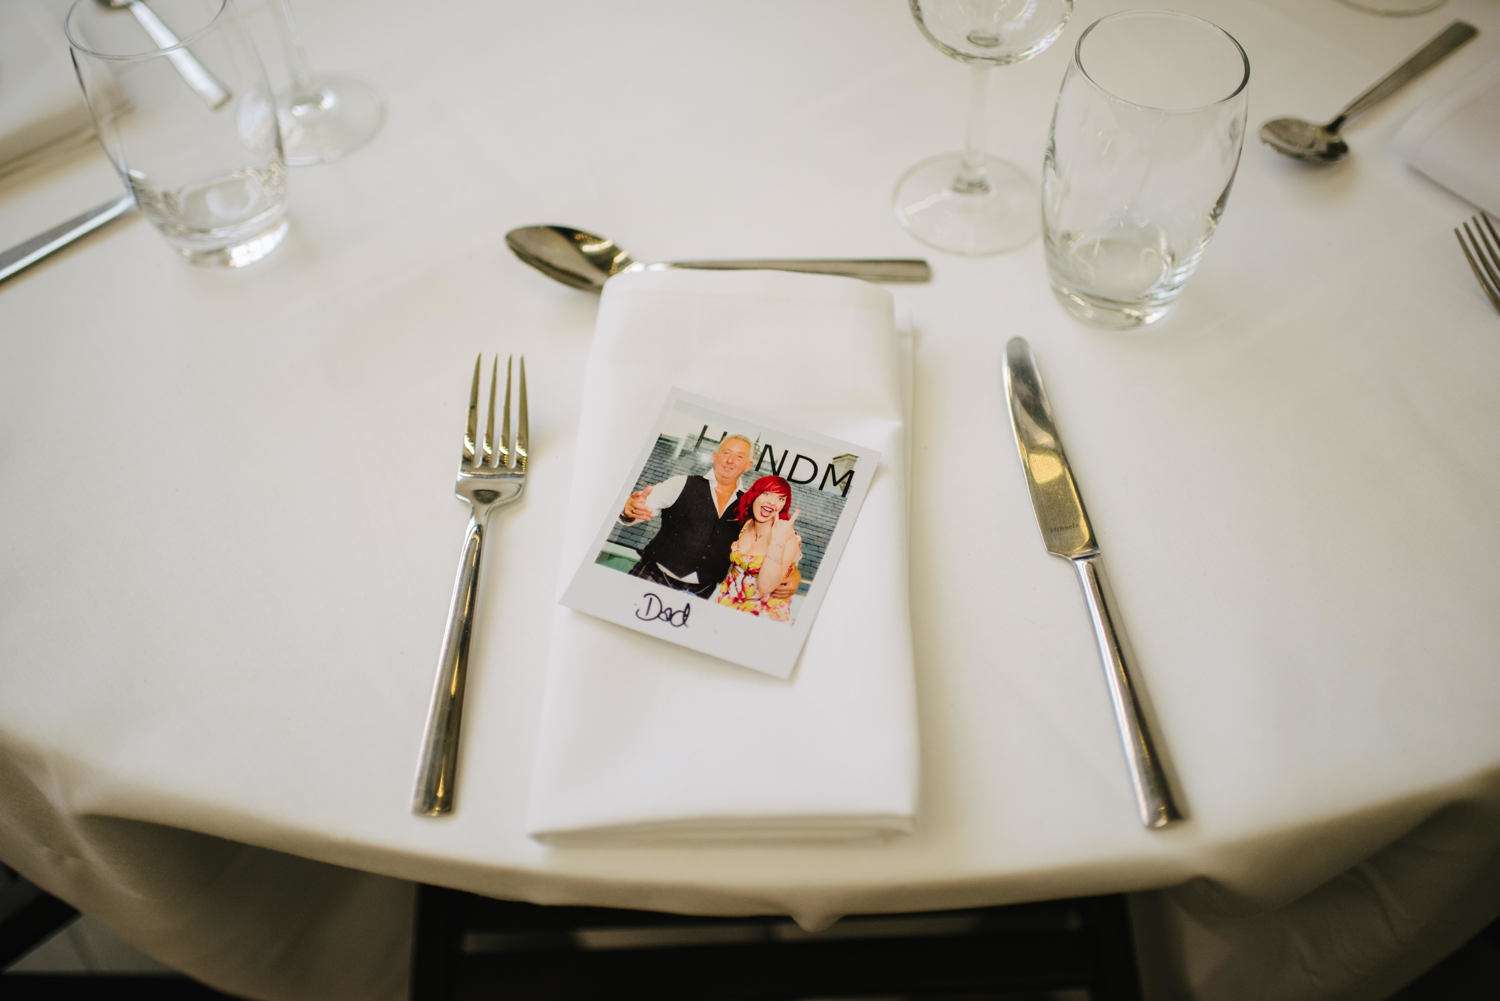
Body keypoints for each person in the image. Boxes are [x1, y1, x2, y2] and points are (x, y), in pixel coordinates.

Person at [621, 435, 799, 601]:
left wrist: (793, 574)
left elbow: (783, 542)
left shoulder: (752, 504)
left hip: (701, 592)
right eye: (726, 453)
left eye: (739, 457)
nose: (730, 461)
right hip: (651, 576)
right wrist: (629, 510)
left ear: (748, 465)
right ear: (715, 456)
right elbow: (640, 508)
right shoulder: (681, 483)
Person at [715, 475, 802, 622]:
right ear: (754, 495)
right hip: (729, 602)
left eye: (780, 498)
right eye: (767, 493)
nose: (772, 502)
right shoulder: (746, 523)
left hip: (762, 613)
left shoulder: (787, 538)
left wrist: (777, 542)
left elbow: (766, 587)